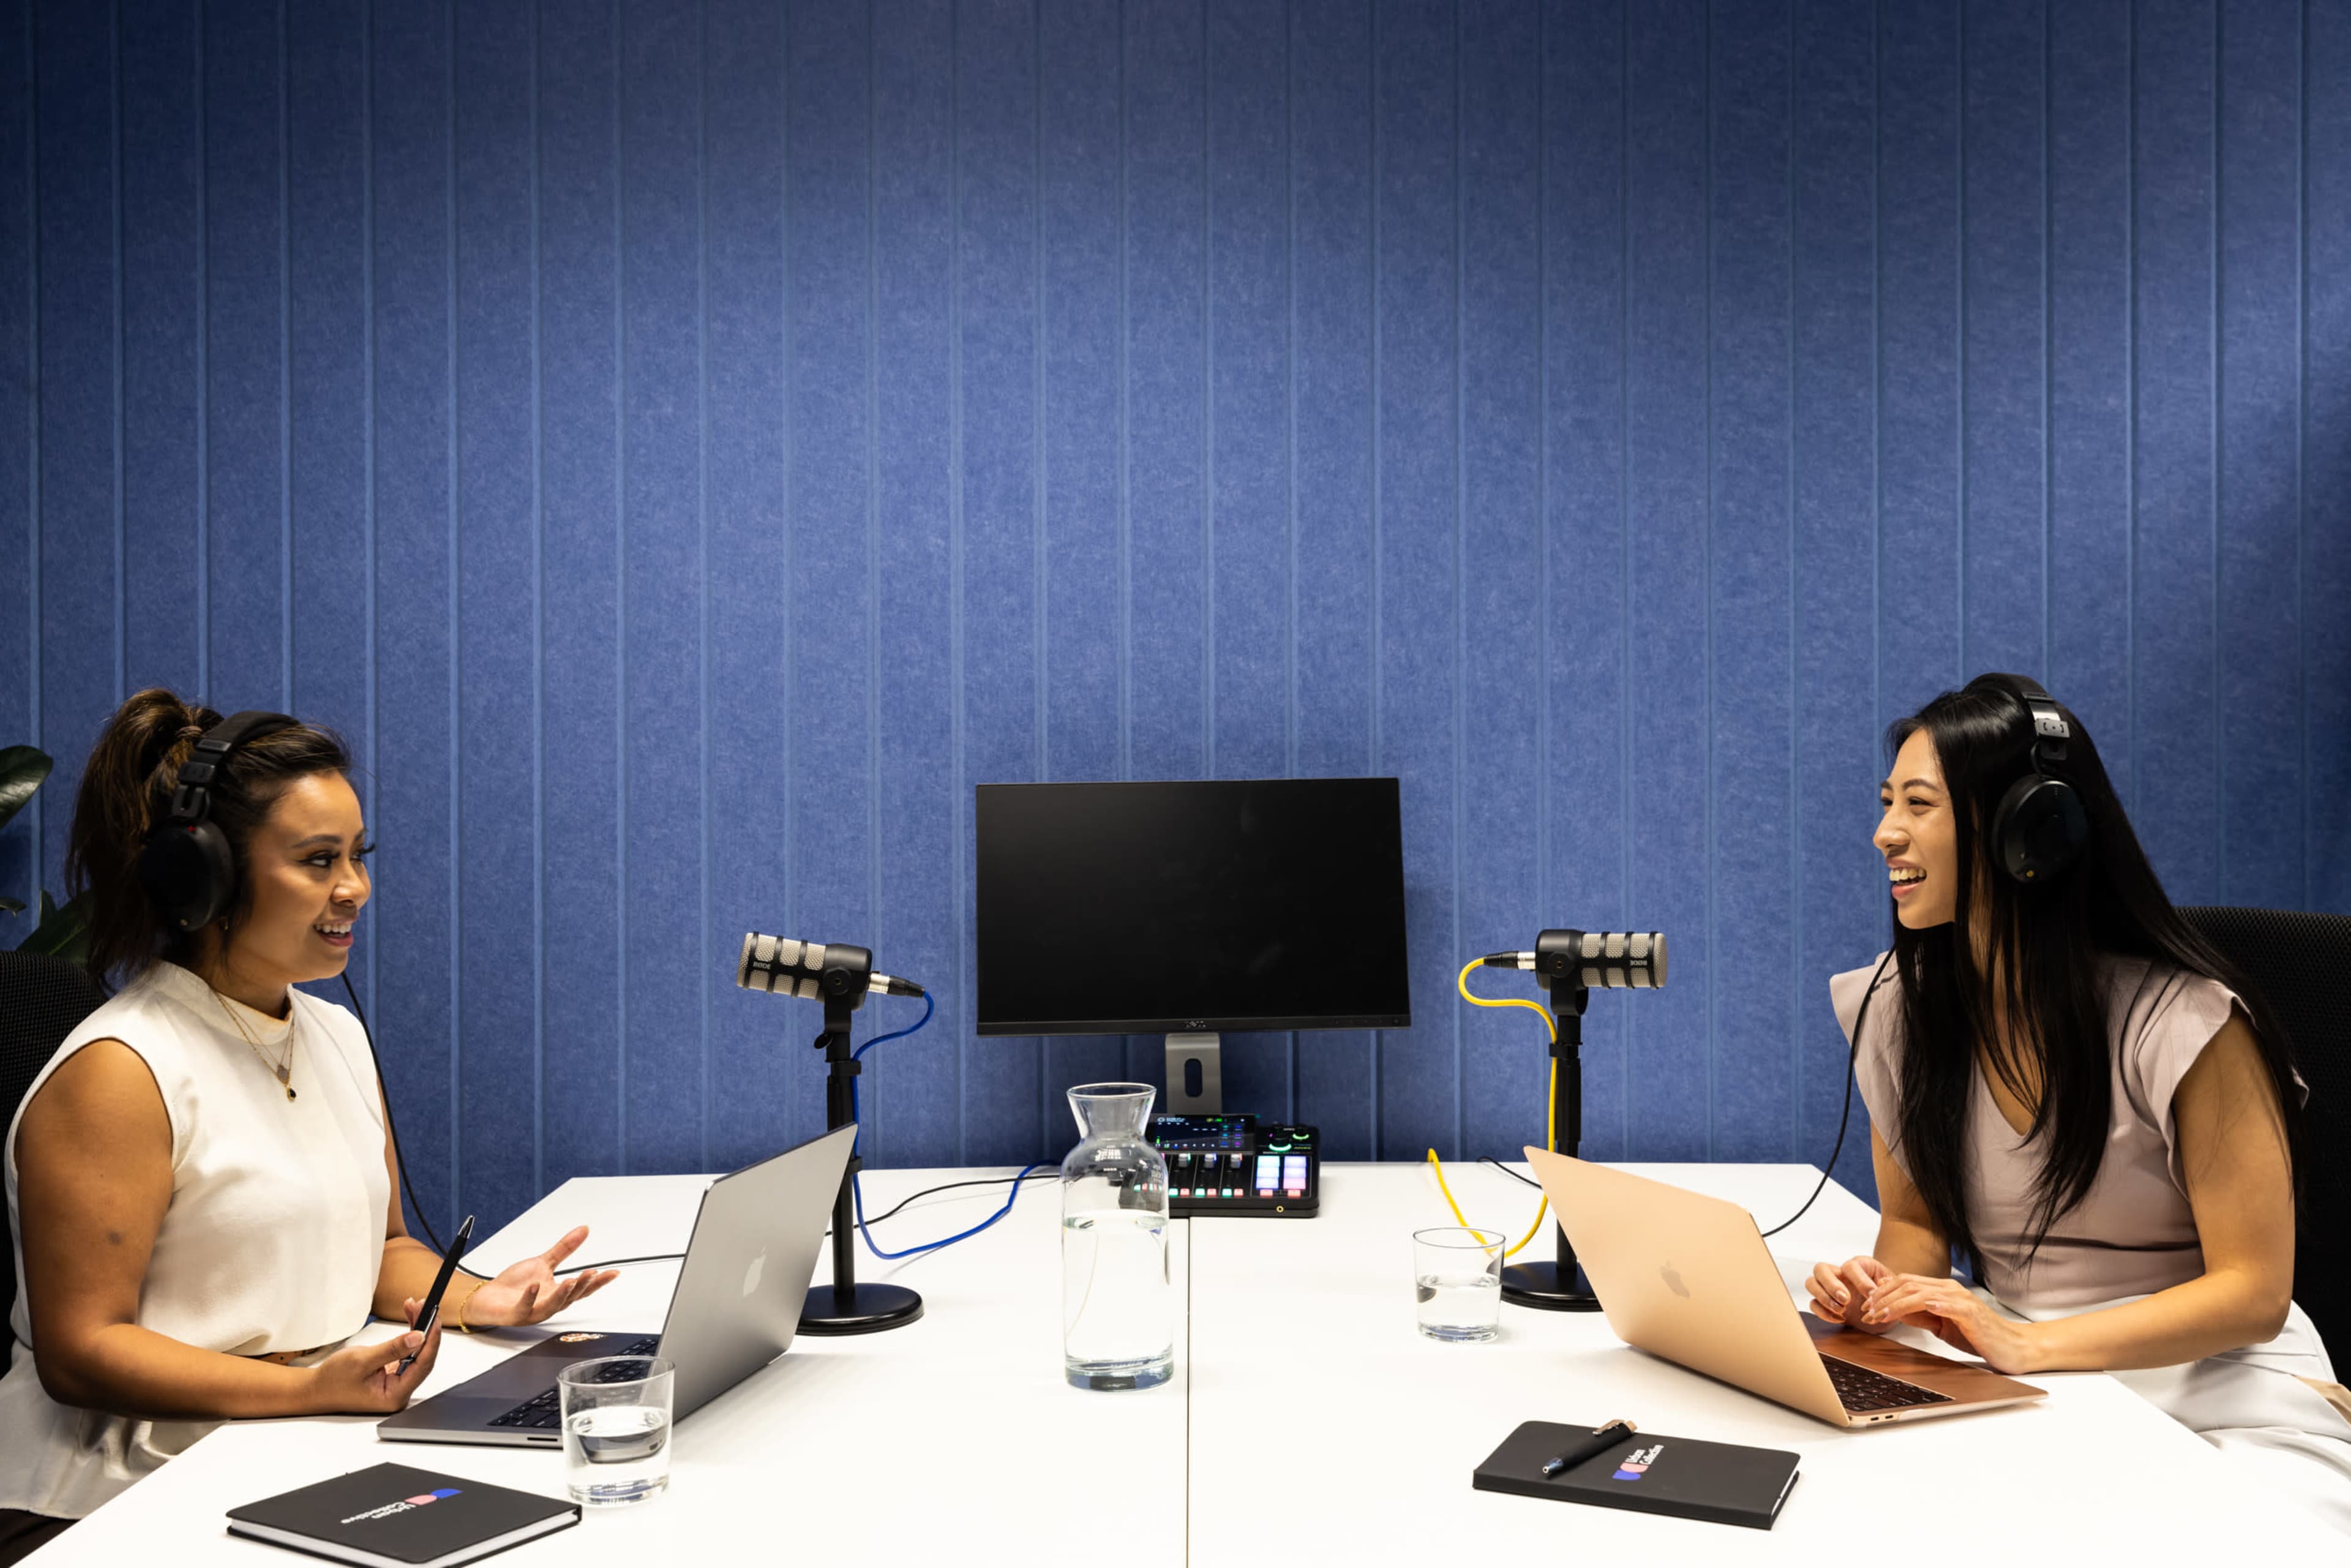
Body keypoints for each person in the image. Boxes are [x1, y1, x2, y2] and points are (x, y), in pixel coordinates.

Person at [0, 692, 618, 1562]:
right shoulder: (120, 1071)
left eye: (357, 855)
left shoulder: (334, 1032)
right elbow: (82, 1350)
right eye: (318, 859)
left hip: (286, 1441)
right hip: (115, 1493)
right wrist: (307, 1389)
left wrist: (485, 1297)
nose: (355, 887)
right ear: (204, 876)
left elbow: (383, 1249)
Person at [1807, 673, 2351, 1531]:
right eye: (1886, 802)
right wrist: (1883, 1297)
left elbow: (2254, 1291)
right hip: (2036, 1391)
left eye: (1919, 804)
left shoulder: (2186, 1025)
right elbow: (1916, 1230)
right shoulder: (1901, 1012)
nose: (1885, 833)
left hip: (2225, 1395)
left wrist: (2029, 1341)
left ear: (2030, 828)